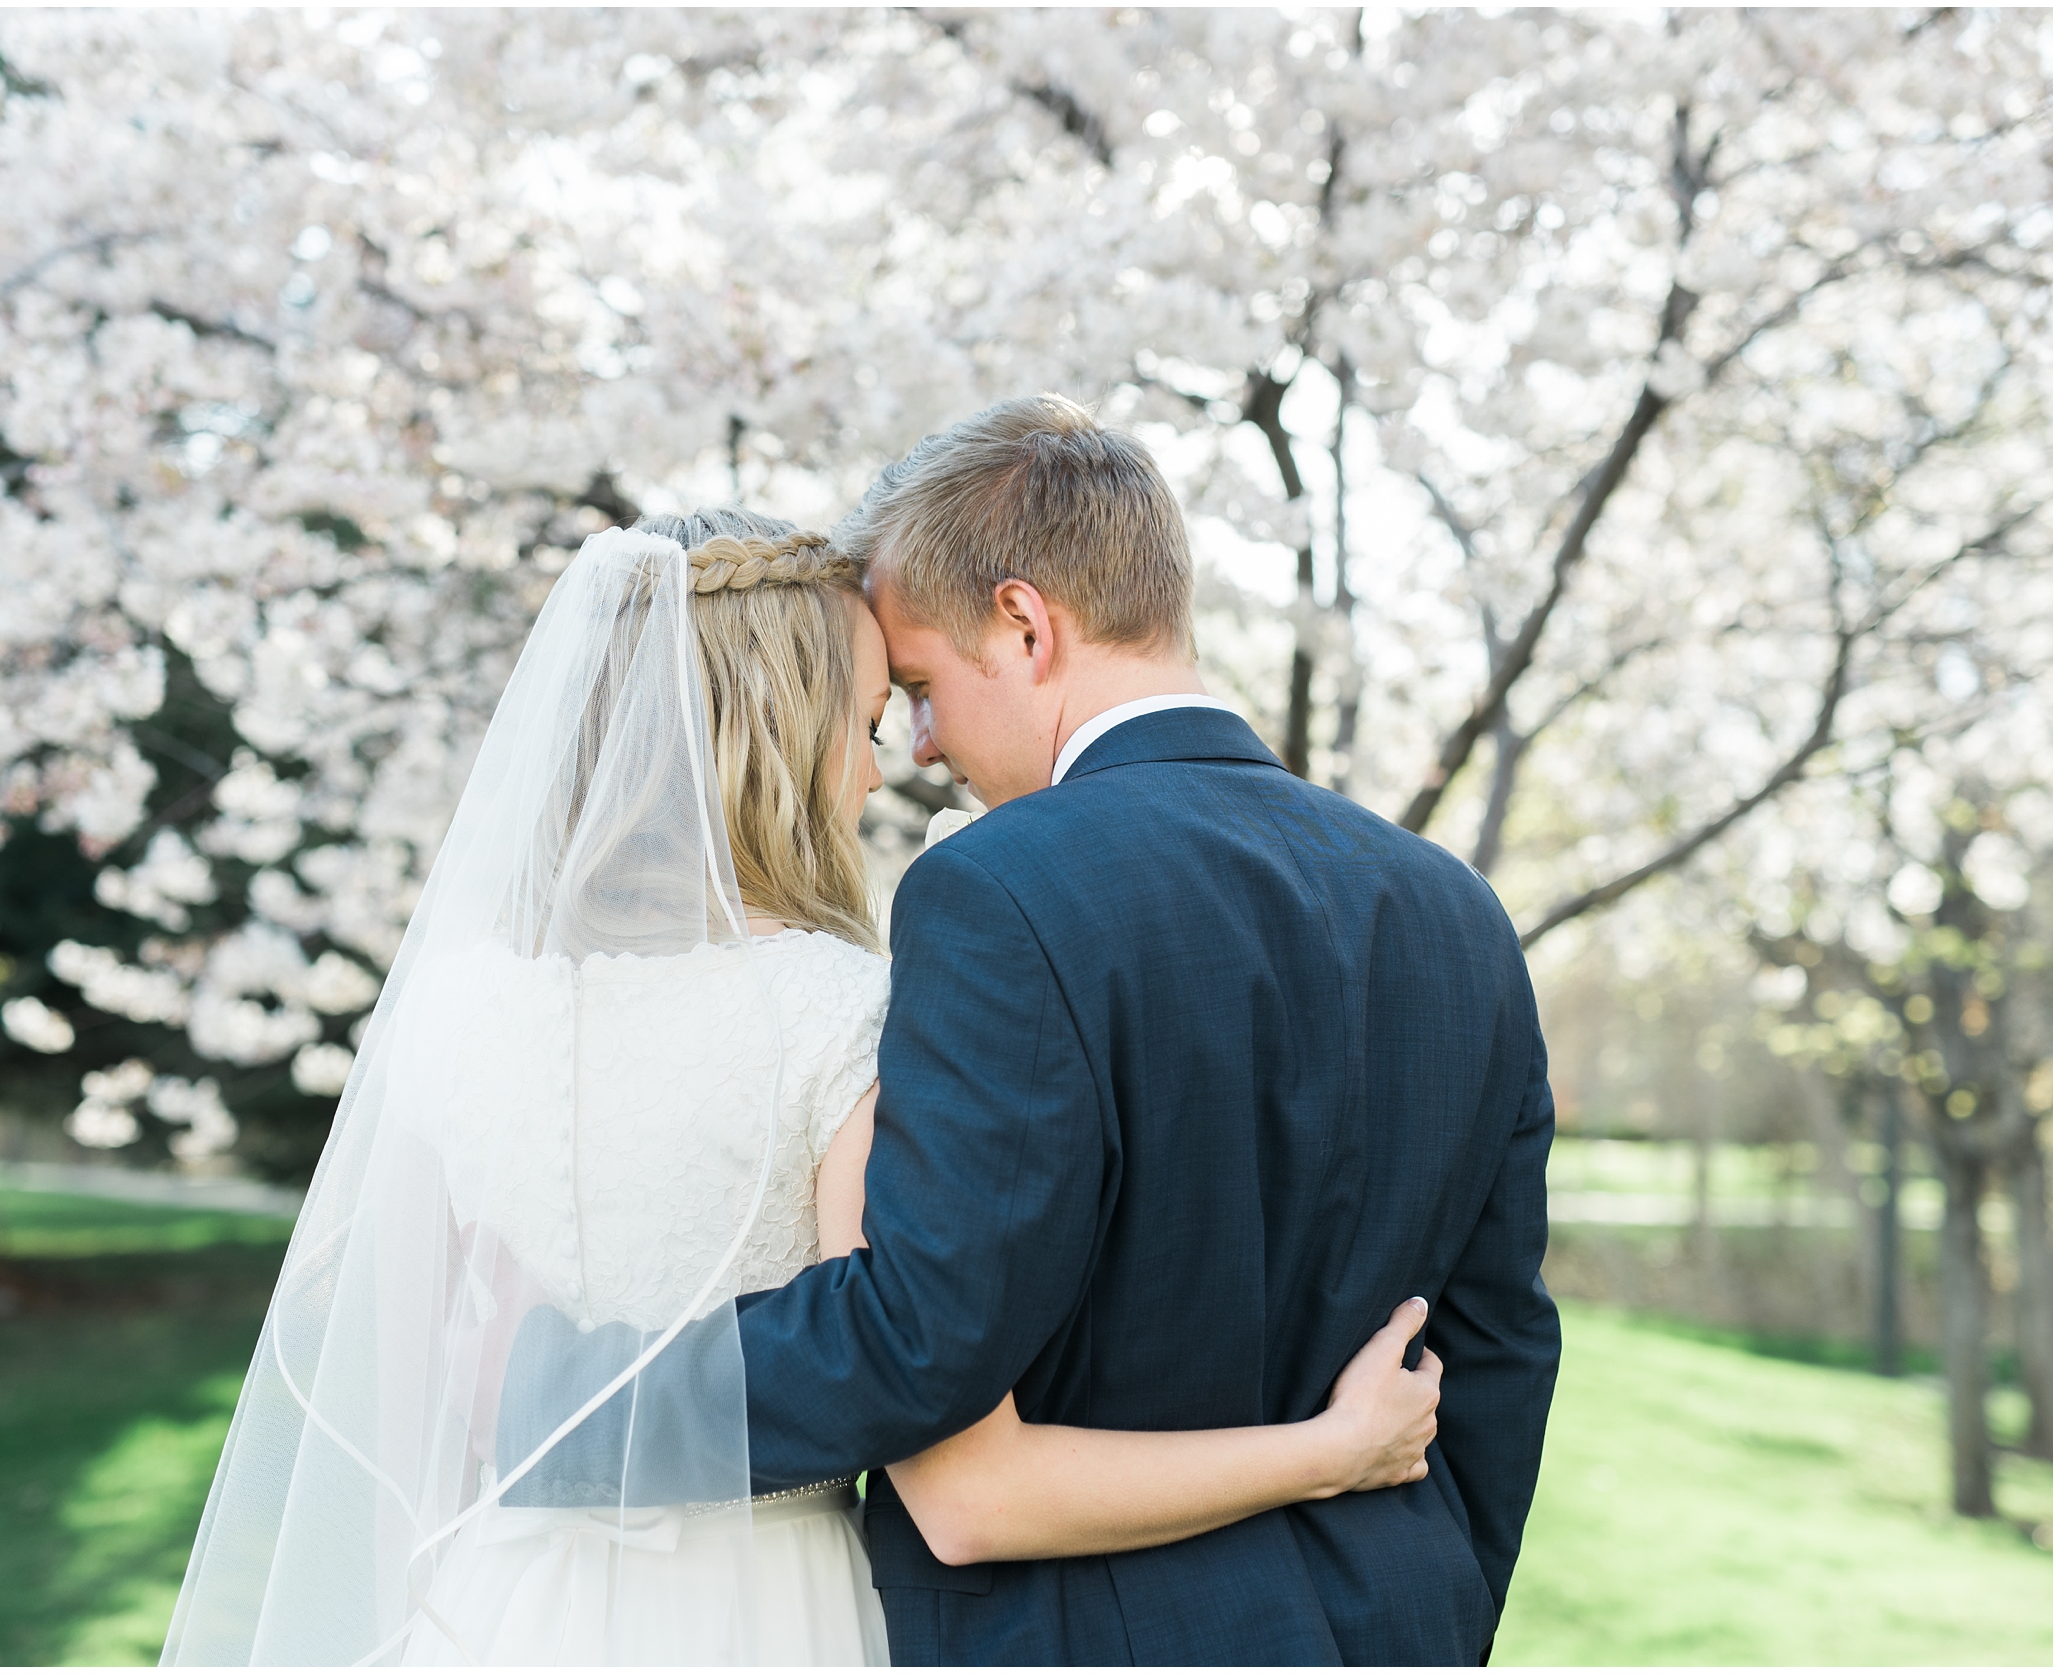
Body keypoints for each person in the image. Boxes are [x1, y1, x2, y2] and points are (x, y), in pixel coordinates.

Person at [161, 505, 1448, 1668]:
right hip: (765, 1611)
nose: (885, 769)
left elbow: (419, 1423)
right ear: (771, 733)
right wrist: (1330, 1452)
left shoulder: (450, 1009)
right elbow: (964, 1483)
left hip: (497, 1602)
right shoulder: (839, 1014)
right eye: (871, 718)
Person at [732, 396, 1564, 1665]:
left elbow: (926, 1336)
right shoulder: (1450, 904)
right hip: (1394, 1623)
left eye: (920, 686)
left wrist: (583, 1401)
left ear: (1023, 623)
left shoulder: (998, 887)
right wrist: (1440, 1598)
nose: (921, 744)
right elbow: (1499, 1340)